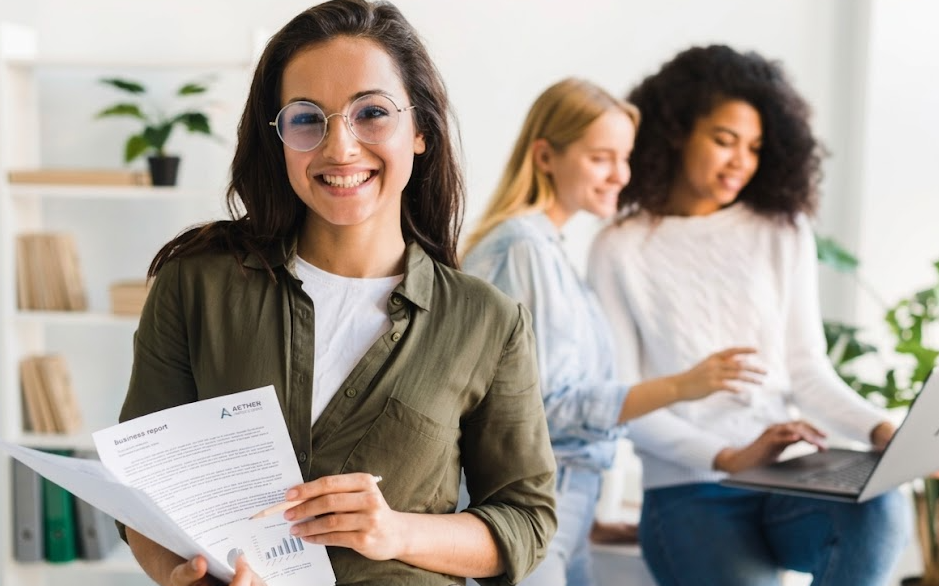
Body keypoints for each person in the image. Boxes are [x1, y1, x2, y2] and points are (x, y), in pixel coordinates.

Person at [117, 1, 557, 585]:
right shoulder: (198, 284)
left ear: (421, 129)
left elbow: (525, 520)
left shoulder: (488, 322)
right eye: (306, 119)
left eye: (371, 112)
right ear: (278, 140)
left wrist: (394, 531)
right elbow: (143, 490)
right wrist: (183, 575)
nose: (340, 149)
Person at [588, 45, 911, 586]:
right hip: (689, 489)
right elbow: (627, 401)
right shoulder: (620, 247)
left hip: (790, 480)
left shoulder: (780, 230)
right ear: (675, 133)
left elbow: (806, 371)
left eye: (755, 147)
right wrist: (729, 456)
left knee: (880, 505)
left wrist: (881, 430)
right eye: (723, 140)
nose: (741, 161)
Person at [462, 78, 765, 586]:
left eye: (624, 158)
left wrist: (591, 514)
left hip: (567, 508)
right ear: (545, 156)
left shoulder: (550, 250)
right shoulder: (524, 249)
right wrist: (681, 386)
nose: (620, 175)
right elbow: (543, 409)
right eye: (602, 158)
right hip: (533, 509)